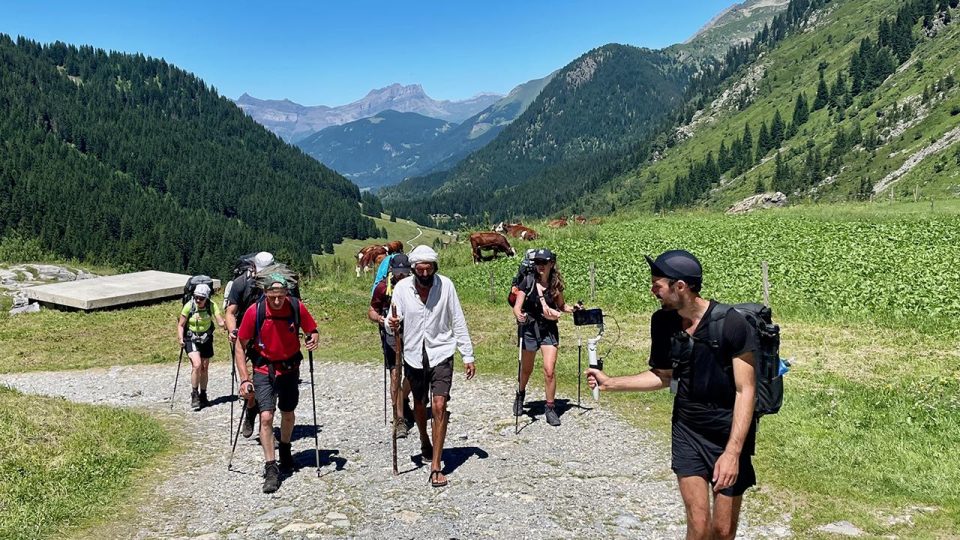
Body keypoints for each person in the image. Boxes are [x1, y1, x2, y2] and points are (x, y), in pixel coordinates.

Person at [586, 250, 757, 540]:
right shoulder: (663, 322)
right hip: (688, 428)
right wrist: (611, 382)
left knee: (723, 531)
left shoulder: (731, 323)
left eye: (657, 285)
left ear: (681, 286)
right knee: (699, 526)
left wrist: (732, 453)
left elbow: (746, 390)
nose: (653, 291)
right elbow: (663, 376)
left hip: (727, 430)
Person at [388, 245, 476, 488]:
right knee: (419, 404)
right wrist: (392, 323)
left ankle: (437, 465)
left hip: (441, 351)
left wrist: (467, 354)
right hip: (414, 353)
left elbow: (457, 320)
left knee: (439, 404)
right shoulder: (402, 288)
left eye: (429, 270)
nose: (424, 275)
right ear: (413, 269)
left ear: (435, 268)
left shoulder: (446, 285)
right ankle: (424, 438)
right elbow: (390, 322)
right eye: (420, 270)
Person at [234, 264, 319, 494]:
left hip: (290, 368)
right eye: (273, 297)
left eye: (281, 296)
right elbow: (240, 347)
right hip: (264, 369)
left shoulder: (295, 306)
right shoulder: (255, 311)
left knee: (288, 413)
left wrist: (313, 338)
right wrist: (244, 378)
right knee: (266, 417)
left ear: (287, 294)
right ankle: (271, 468)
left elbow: (312, 329)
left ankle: (285, 448)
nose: (278, 301)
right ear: (265, 294)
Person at [511, 248, 578, 426]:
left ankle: (550, 407)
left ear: (551, 264)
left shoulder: (555, 285)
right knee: (526, 369)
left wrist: (573, 309)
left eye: (544, 262)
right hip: (530, 329)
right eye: (537, 262)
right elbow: (517, 306)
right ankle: (520, 393)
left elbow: (562, 305)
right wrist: (519, 315)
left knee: (549, 370)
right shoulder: (528, 281)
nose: (540, 266)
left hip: (548, 329)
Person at [226, 251, 274, 438]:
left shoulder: (281, 284)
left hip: (271, 338)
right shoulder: (241, 283)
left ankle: (266, 427)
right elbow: (230, 312)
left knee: (269, 384)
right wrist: (233, 330)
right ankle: (251, 407)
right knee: (250, 385)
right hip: (247, 337)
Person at [367, 253, 415, 436]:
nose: (401, 276)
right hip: (390, 333)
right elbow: (371, 310)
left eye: (405, 272)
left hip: (412, 333)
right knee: (395, 373)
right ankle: (399, 419)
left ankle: (402, 399)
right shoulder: (382, 288)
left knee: (413, 372)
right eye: (398, 272)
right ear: (391, 271)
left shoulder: (415, 286)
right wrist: (380, 319)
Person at [177, 283, 226, 410]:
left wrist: (227, 325)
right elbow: (181, 324)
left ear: (207, 298)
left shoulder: (212, 305)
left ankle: (203, 395)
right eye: (196, 297)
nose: (198, 300)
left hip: (206, 339)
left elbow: (220, 321)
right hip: (191, 338)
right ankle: (194, 394)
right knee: (197, 365)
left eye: (201, 298)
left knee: (204, 368)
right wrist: (181, 338)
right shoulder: (189, 305)